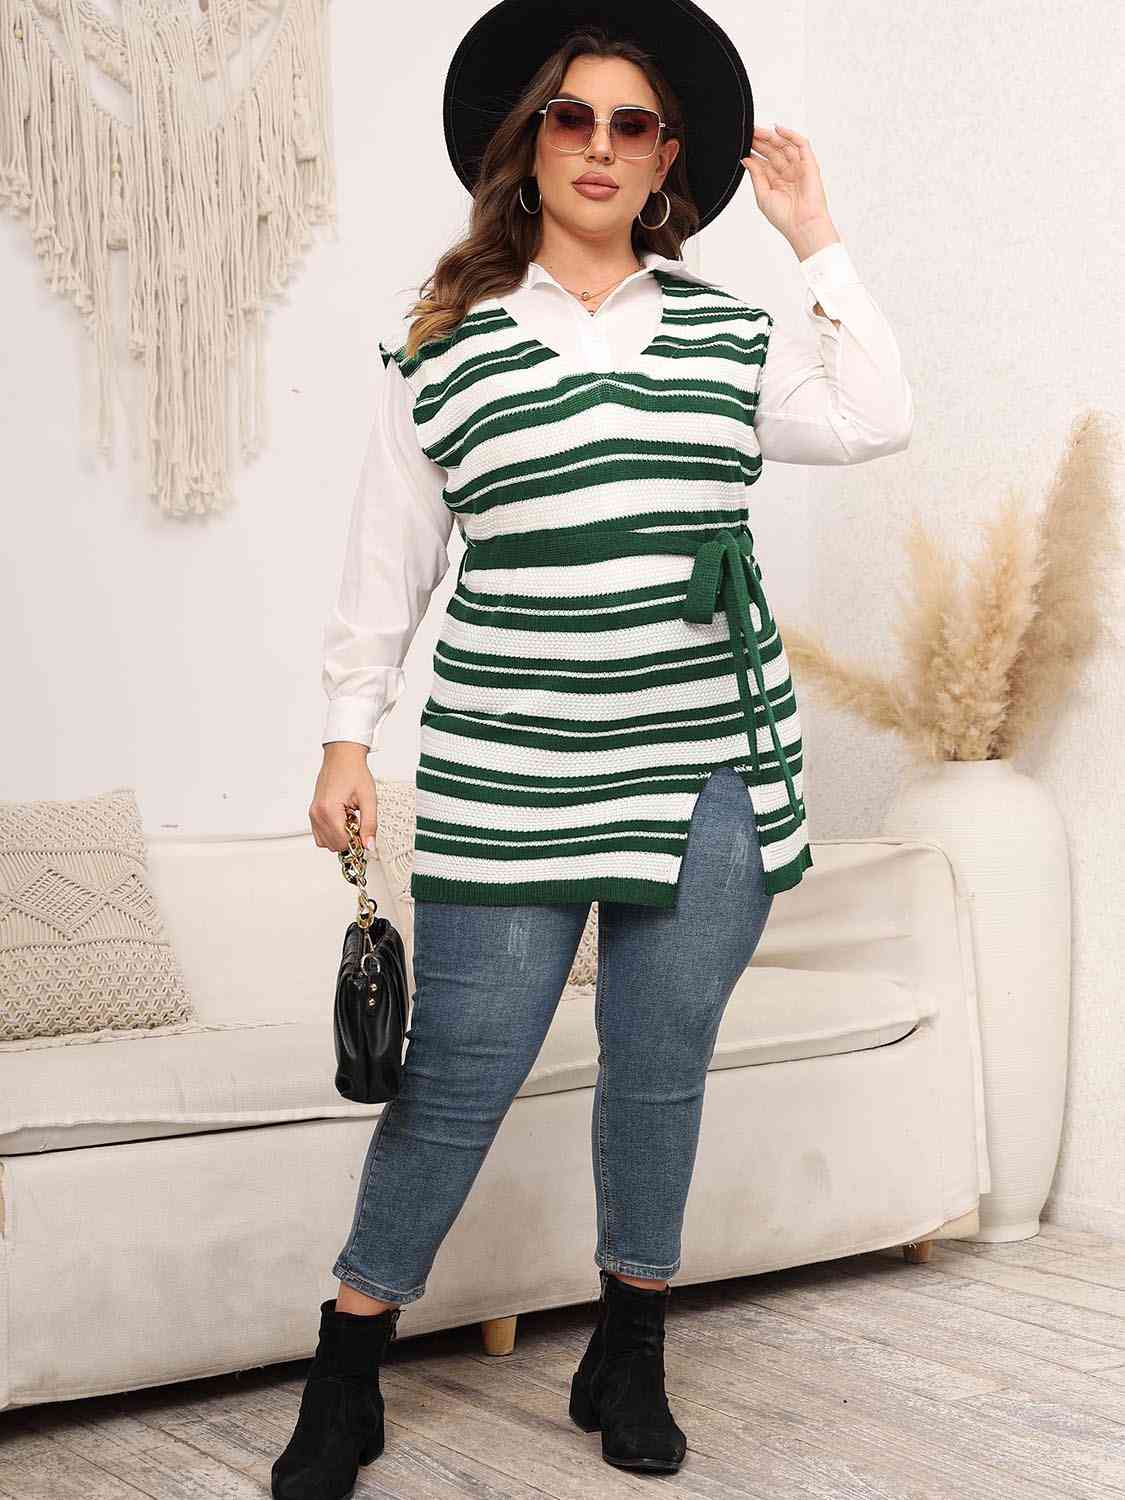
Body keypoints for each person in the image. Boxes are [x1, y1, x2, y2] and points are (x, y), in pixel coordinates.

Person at [275, 3, 913, 1495]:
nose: (601, 147)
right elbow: (386, 569)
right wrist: (345, 742)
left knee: (658, 1068)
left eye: (634, 125)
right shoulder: (444, 348)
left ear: (667, 158)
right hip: (513, 764)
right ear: (528, 141)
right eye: (573, 117)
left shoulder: (724, 334)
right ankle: (348, 1366)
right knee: (459, 1073)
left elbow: (875, 417)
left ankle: (628, 1349)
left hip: (703, 767)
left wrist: (813, 237)